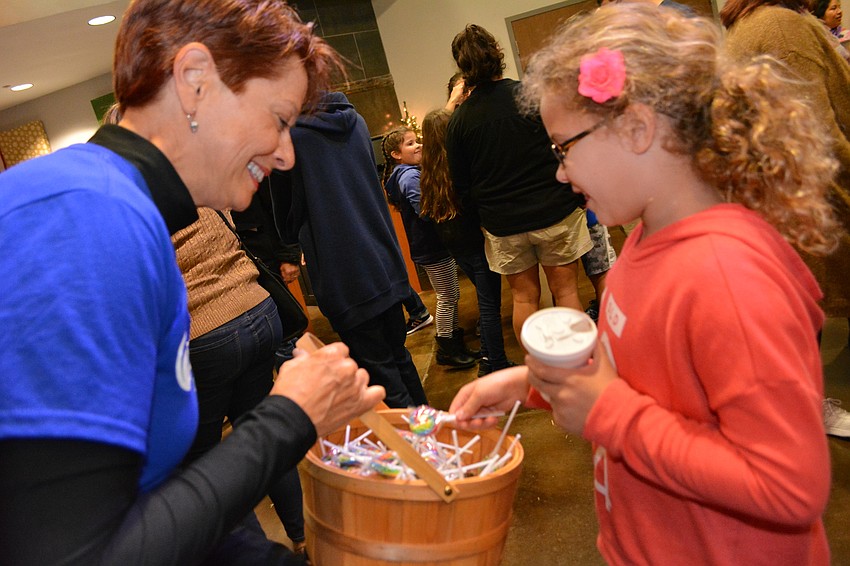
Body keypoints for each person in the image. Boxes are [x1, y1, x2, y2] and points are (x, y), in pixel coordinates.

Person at [0, 2, 385, 564]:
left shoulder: (134, 217)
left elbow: (155, 492)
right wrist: (290, 416)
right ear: (195, 81)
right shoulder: (82, 216)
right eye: (279, 120)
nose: (286, 155)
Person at [451, 4, 836, 563]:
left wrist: (611, 415)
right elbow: (634, 374)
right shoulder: (644, 241)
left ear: (636, 128)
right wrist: (531, 386)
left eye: (563, 148)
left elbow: (789, 486)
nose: (560, 171)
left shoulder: (729, 280)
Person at [721, 0, 850, 438]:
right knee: (802, 314)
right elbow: (817, 137)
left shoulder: (756, 23)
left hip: (777, 199)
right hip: (798, 199)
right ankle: (805, 411)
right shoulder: (780, 27)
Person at [272, 91, 429, 408]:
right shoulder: (355, 120)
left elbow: (286, 215)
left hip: (343, 272)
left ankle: (416, 439)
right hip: (384, 262)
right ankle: (430, 432)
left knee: (381, 378)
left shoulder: (291, 137)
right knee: (399, 359)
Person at [445, 24, 592, 345]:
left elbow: (461, 185)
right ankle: (579, 361)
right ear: (497, 53)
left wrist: (480, 221)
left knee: (524, 299)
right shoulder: (532, 95)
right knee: (566, 291)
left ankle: (538, 367)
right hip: (555, 211)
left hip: (503, 223)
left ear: (463, 67)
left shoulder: (459, 122)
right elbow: (566, 146)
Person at [174, 208, 307, 557]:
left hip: (204, 331)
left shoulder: (136, 208)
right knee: (263, 432)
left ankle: (258, 556)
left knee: (206, 462)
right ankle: (305, 537)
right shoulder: (195, 189)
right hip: (259, 309)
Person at [420, 108, 513, 377]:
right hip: (475, 242)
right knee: (490, 305)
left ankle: (489, 359)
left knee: (487, 302)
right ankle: (494, 362)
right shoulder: (459, 166)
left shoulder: (428, 173)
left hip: (455, 246)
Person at [382, 125, 478, 369]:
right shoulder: (409, 177)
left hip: (429, 246)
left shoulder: (406, 174)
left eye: (417, 140)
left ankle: (454, 341)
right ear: (396, 154)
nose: (419, 145)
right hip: (431, 247)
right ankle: (447, 347)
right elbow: (425, 211)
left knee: (451, 294)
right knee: (447, 296)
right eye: (410, 143)